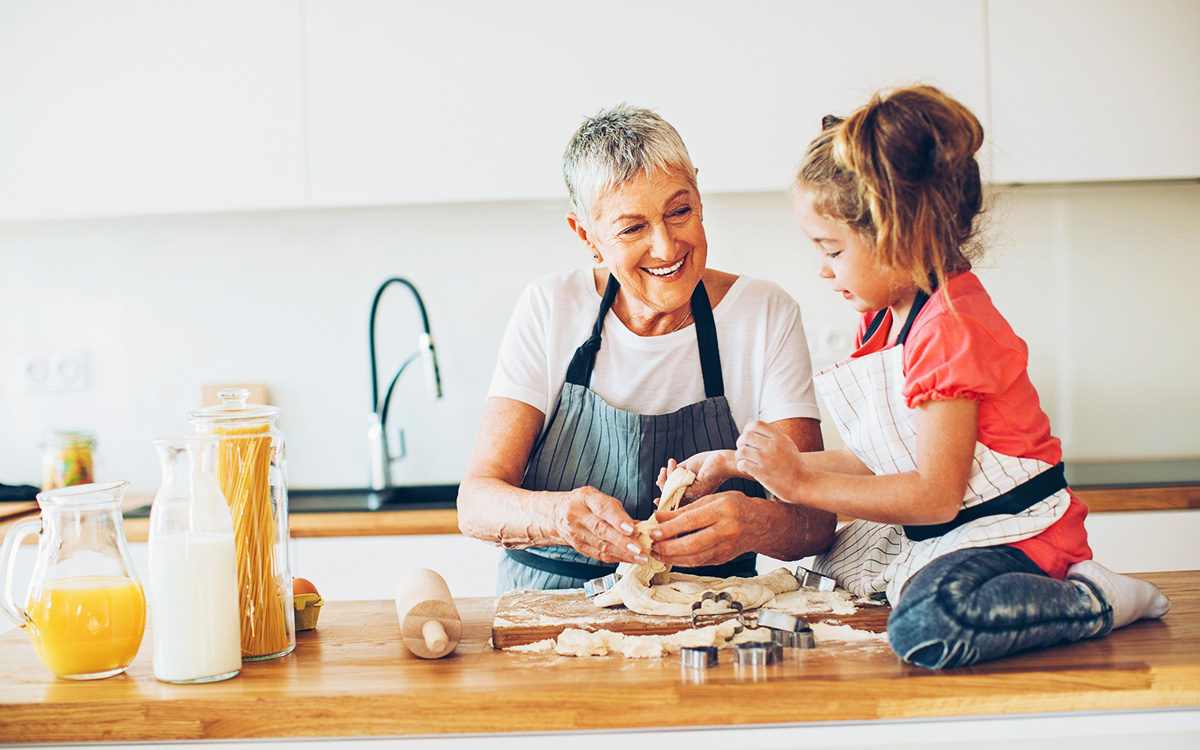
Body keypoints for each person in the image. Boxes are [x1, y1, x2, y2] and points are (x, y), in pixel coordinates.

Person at [674, 86, 1170, 668]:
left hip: (1016, 536)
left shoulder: (950, 329)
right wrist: (743, 463)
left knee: (928, 626)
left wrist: (802, 486)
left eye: (832, 250)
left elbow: (935, 495)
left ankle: (1094, 598)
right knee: (830, 590)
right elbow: (878, 465)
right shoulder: (887, 321)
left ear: (898, 234)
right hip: (958, 531)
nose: (822, 269)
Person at [458, 104, 835, 593]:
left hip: (710, 614)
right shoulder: (550, 307)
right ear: (587, 236)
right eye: (632, 228)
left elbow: (813, 521)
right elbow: (476, 503)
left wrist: (753, 523)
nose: (666, 246)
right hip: (548, 610)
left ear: (699, 192)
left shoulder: (765, 313)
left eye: (680, 211)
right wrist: (557, 515)